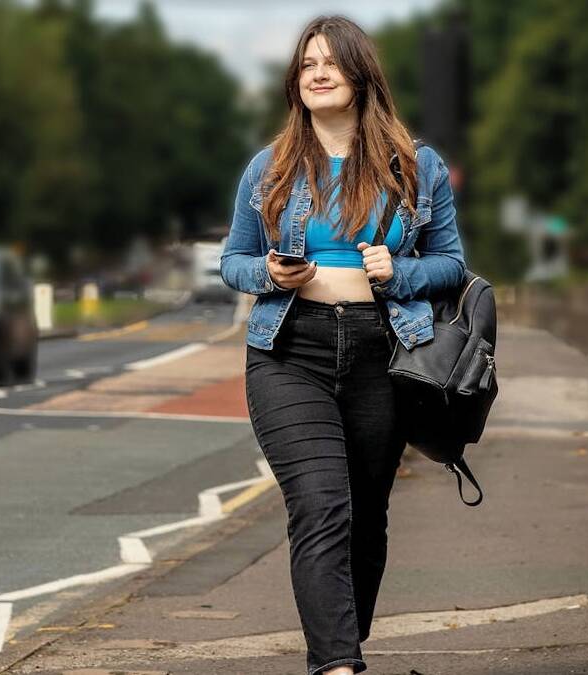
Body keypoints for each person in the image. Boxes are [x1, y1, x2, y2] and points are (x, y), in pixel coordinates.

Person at [219, 15, 467, 675]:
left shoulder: (416, 165)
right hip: (286, 350)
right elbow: (232, 261)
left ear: (360, 74)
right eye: (306, 64)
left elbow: (451, 265)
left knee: (364, 513)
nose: (318, 73)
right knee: (320, 503)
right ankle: (336, 665)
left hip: (381, 350)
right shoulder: (268, 167)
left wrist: (400, 270)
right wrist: (267, 273)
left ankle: (340, 641)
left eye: (330, 62)